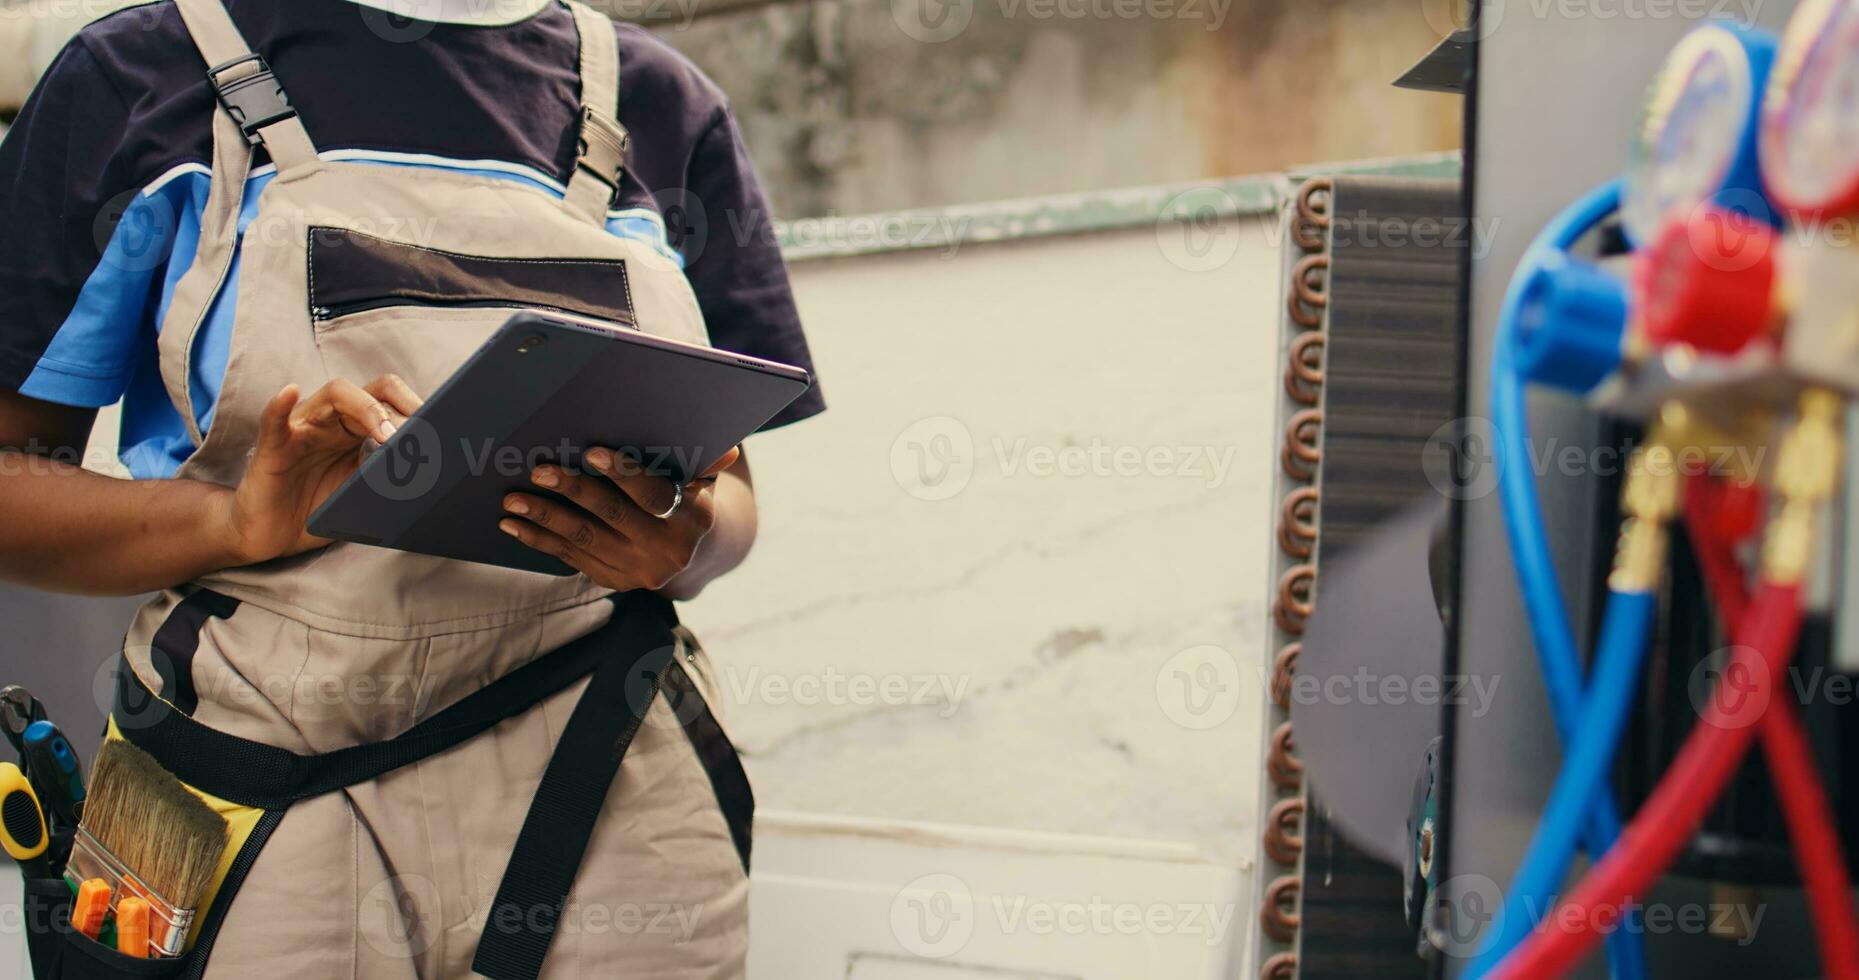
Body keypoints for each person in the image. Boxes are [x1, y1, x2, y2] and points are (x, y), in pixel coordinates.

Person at [0, 1, 822, 976]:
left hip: (611, 763)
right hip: (254, 777)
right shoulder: (141, 76)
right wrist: (230, 520)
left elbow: (729, 493)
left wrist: (683, 544)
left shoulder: (661, 102)